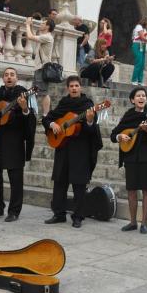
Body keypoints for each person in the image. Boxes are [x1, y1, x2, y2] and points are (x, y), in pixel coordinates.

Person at [42, 75, 103, 228]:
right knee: (60, 182)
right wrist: (52, 125)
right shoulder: (64, 103)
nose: (74, 88)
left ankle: (78, 216)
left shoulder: (87, 104)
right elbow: (49, 117)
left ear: (80, 87)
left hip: (80, 149)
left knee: (79, 184)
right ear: (67, 88)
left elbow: (92, 128)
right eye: (71, 86)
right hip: (63, 148)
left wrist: (89, 120)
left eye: (76, 86)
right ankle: (59, 214)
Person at [0, 67, 36, 222]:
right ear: (3, 78)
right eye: (6, 75)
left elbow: (30, 119)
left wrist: (24, 109)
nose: (9, 77)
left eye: (12, 75)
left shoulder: (24, 93)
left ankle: (14, 211)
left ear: (17, 78)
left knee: (15, 178)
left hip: (15, 140)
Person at [111, 87, 147, 234]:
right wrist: (120, 137)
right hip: (130, 157)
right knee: (131, 190)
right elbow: (114, 134)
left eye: (144, 95)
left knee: (146, 190)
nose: (141, 98)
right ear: (132, 100)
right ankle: (132, 222)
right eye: (138, 96)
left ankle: (144, 223)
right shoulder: (128, 115)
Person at [25, 16, 55, 117]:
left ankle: (46, 114)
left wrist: (28, 24)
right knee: (34, 91)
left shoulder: (47, 37)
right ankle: (34, 112)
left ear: (47, 26)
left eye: (43, 23)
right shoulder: (46, 36)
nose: (41, 24)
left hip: (42, 69)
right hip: (40, 68)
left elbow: (30, 37)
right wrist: (31, 27)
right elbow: (34, 36)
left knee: (44, 92)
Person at [131, 17, 147, 86]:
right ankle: (134, 80)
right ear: (145, 22)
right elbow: (142, 37)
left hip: (142, 45)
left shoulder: (144, 29)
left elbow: (144, 37)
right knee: (138, 62)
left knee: (142, 64)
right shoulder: (139, 26)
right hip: (137, 45)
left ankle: (140, 80)